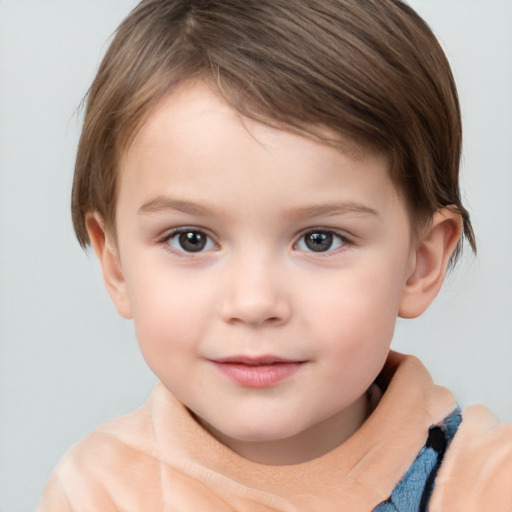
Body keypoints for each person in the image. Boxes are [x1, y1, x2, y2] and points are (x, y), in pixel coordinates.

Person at [37, 0, 512, 510]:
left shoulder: (486, 486)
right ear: (116, 265)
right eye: (191, 239)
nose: (254, 302)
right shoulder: (97, 492)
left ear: (419, 263)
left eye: (319, 239)